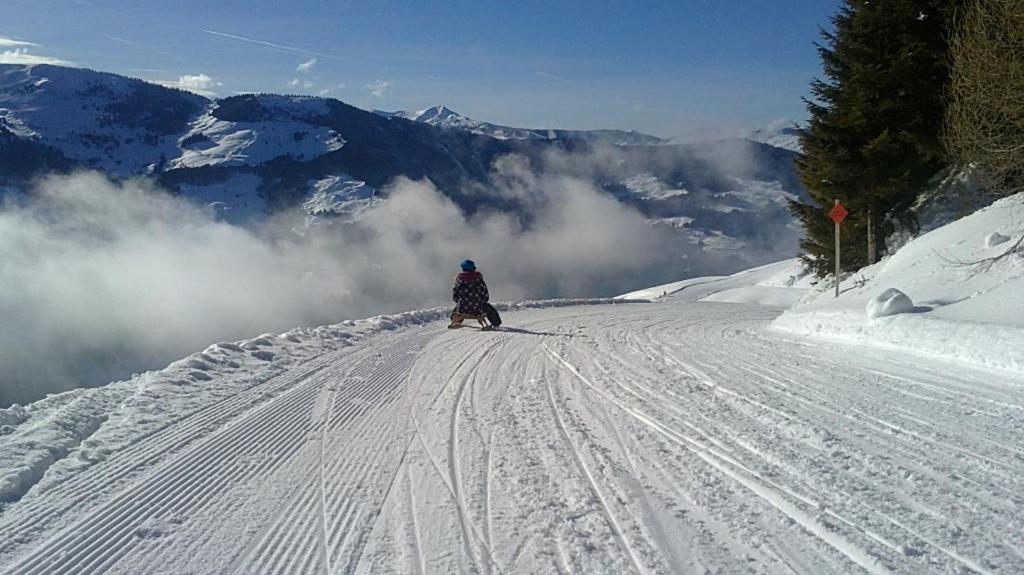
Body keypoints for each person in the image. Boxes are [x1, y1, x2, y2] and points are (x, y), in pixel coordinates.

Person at [449, 259, 490, 328]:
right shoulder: (478, 278)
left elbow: (455, 296)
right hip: (478, 308)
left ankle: (456, 321)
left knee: (458, 307)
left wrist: (460, 301)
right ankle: (496, 323)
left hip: (462, 309)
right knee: (490, 309)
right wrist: (482, 301)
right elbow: (485, 293)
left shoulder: (459, 280)